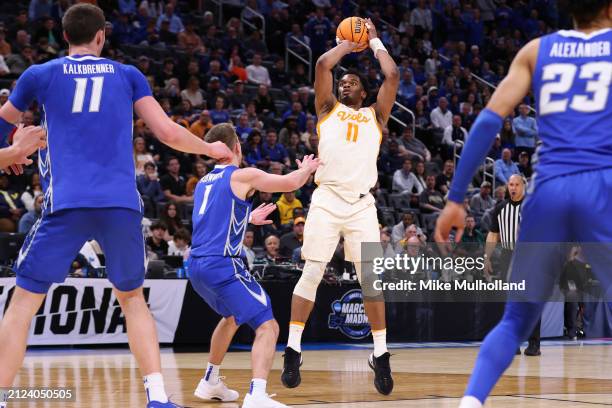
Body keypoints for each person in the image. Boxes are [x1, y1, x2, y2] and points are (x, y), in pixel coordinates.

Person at [0, 5, 232, 408]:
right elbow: (165, 132)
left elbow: (3, 122)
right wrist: (209, 147)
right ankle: (158, 397)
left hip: (66, 204)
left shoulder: (39, 74)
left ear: (62, 34)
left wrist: (12, 149)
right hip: (120, 204)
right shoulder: (127, 75)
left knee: (23, 303)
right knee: (132, 300)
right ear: (102, 36)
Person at [434, 3, 612, 407]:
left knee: (515, 320)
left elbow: (486, 122)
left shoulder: (536, 50)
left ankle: (470, 402)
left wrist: (456, 198)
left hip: (547, 189)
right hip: (602, 183)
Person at [282, 19, 399, 396]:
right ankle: (293, 348)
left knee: (371, 280)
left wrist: (374, 40)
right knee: (313, 271)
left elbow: (392, 74)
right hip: (328, 199)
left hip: (362, 205)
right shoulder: (327, 107)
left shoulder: (375, 116)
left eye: (352, 82)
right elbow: (321, 66)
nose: (345, 83)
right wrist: (348, 44)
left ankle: (380, 354)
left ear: (364, 92)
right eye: (343, 81)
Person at [188, 123, 320, 408]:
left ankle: (209, 381)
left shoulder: (203, 182)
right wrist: (307, 169)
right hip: (221, 264)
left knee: (232, 317)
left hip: (196, 266)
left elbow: (210, 223)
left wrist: (245, 220)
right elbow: (290, 184)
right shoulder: (241, 175)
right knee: (268, 326)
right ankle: (257, 395)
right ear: (235, 146)